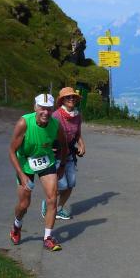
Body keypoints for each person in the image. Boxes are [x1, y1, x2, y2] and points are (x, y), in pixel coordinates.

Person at [9, 94, 69, 251]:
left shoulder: (56, 125)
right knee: (24, 204)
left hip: (46, 161)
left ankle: (48, 238)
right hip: (25, 163)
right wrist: (21, 175)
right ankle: (16, 226)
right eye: (42, 108)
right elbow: (12, 151)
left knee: (52, 199)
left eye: (49, 109)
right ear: (35, 107)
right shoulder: (24, 123)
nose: (46, 112)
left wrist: (62, 165)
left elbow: (64, 146)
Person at [42, 87, 85, 221]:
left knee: (71, 183)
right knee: (61, 185)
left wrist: (82, 145)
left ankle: (59, 208)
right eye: (68, 97)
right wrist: (48, 147)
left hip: (70, 153)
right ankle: (48, 203)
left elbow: (77, 134)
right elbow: (45, 133)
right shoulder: (56, 115)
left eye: (73, 97)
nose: (71, 99)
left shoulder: (77, 116)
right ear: (62, 100)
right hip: (56, 155)